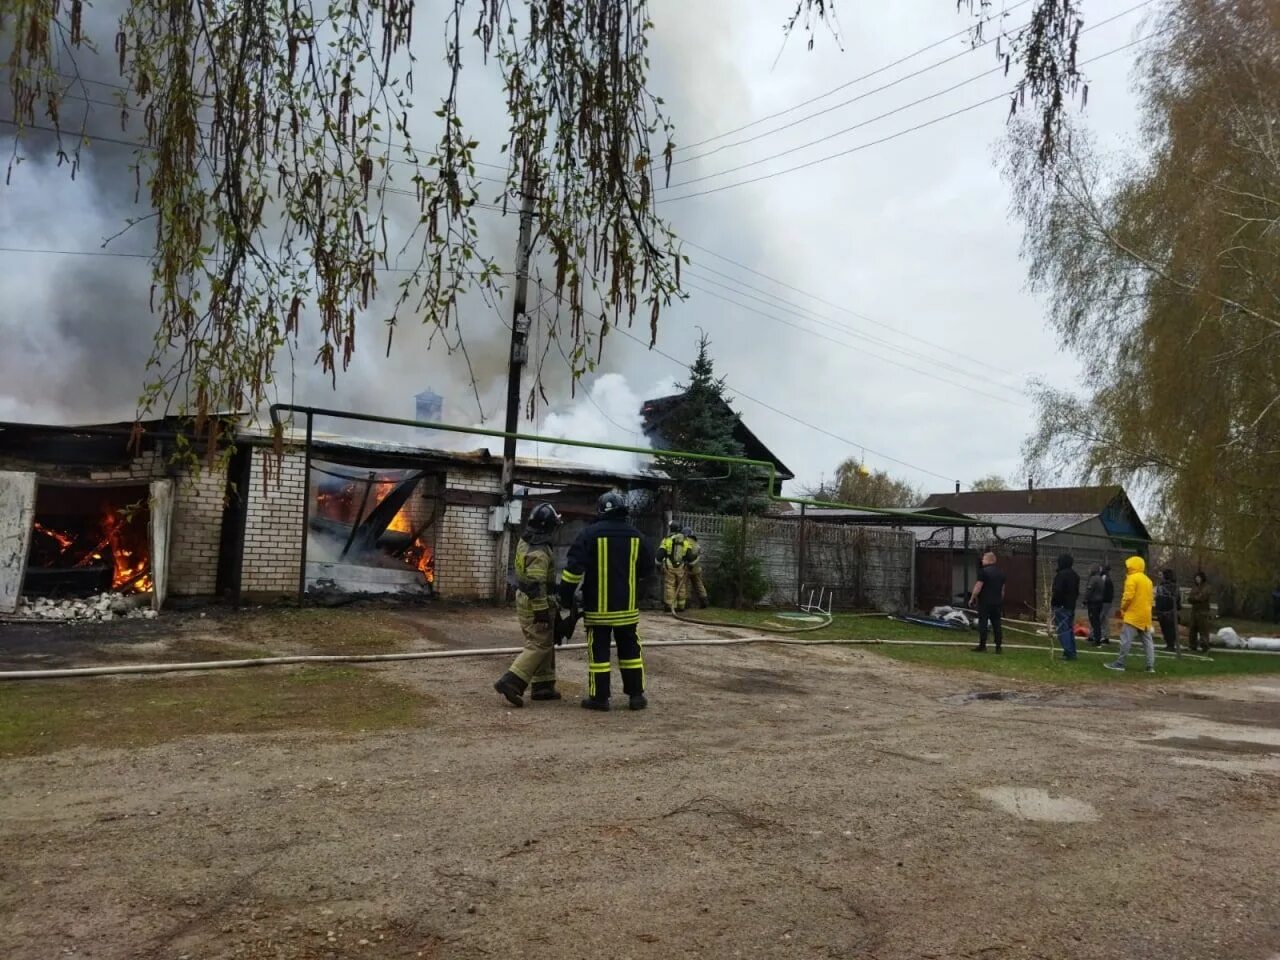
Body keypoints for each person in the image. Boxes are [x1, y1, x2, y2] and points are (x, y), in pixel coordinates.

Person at [558, 491, 656, 712]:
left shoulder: (589, 534)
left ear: (601, 510)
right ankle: (636, 696)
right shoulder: (637, 535)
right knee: (631, 652)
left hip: (598, 611)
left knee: (599, 655)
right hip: (627, 609)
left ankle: (600, 699)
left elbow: (573, 571)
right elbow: (649, 569)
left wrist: (565, 597)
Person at [493, 503, 564, 707]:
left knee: (545, 642)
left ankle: (543, 687)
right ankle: (511, 682)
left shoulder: (527, 541)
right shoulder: (539, 551)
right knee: (539, 644)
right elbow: (535, 584)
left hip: (527, 598)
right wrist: (541, 610)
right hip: (535, 601)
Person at [1106, 555, 1156, 673]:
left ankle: (1120, 663)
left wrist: (1123, 608)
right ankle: (1150, 666)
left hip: (1133, 615)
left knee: (1126, 640)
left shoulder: (1132, 578)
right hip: (1145, 616)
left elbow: (1128, 597)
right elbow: (1150, 599)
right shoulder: (1148, 581)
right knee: (1148, 642)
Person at [968, 551, 1006, 653]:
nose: (982, 560)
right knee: (997, 624)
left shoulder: (983, 572)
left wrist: (972, 598)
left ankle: (982, 645)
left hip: (985, 602)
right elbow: (1002, 590)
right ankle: (998, 647)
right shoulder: (1001, 572)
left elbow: (978, 586)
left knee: (983, 623)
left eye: (984, 558)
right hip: (997, 602)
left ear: (989, 560)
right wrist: (1000, 600)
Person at [1050, 554, 1081, 661]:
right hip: (1070, 606)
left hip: (1061, 606)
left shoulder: (1061, 575)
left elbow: (1057, 591)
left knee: (1063, 630)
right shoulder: (1075, 575)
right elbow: (1076, 592)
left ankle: (1069, 653)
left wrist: (1054, 603)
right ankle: (1071, 651)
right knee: (1069, 629)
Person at [656, 521, 687, 613]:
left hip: (669, 566)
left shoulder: (667, 540)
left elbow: (660, 554)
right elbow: (690, 555)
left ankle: (670, 606)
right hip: (681, 566)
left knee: (670, 585)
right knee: (681, 585)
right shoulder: (685, 541)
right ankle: (681, 606)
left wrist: (657, 564)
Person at [1155, 568, 1182, 654]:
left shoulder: (1173, 587)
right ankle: (1168, 644)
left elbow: (1176, 600)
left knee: (1170, 629)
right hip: (1162, 611)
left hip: (1169, 611)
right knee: (1165, 629)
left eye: (1162, 575)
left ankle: (1171, 645)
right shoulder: (1161, 586)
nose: (1160, 576)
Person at [682, 527, 710, 608]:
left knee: (686, 585)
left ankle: (687, 603)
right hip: (696, 568)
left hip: (687, 567)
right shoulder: (696, 543)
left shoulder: (685, 542)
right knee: (699, 584)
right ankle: (704, 601)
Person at [1188, 572, 1213, 653]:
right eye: (1196, 577)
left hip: (1203, 612)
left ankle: (1205, 646)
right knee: (1192, 629)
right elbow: (1190, 598)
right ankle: (1192, 646)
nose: (1197, 579)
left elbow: (1202, 597)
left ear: (1202, 578)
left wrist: (1195, 598)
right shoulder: (1194, 587)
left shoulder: (1207, 587)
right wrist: (1195, 598)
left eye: (1198, 577)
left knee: (1203, 630)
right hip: (1194, 611)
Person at [1085, 565, 1106, 645]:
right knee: (1096, 621)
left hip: (1093, 602)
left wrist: (1085, 600)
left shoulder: (1093, 579)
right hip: (1099, 602)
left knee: (1094, 621)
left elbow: (1089, 590)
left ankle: (1097, 639)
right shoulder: (1100, 579)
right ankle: (1097, 638)